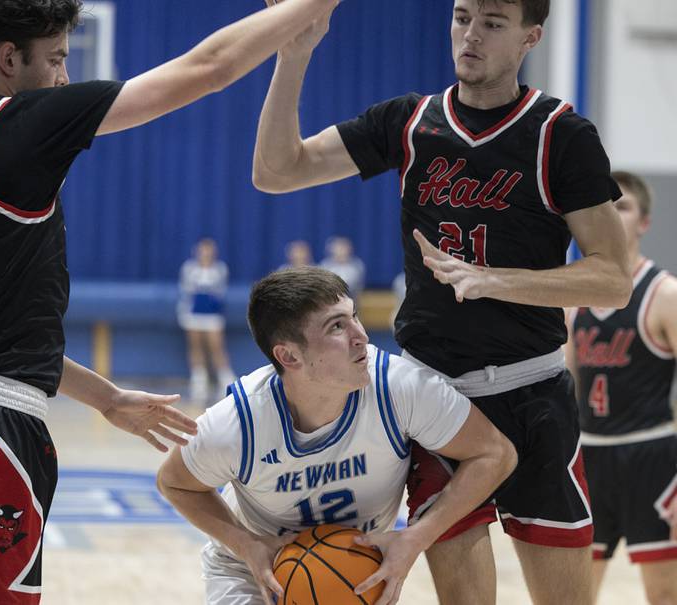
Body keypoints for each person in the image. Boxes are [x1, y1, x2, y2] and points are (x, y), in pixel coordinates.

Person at [0, 0, 341, 603]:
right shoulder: (15, 124)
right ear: (7, 60)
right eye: (54, 60)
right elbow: (205, 69)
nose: (64, 78)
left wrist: (106, 399)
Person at [251, 0, 632, 602]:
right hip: (436, 400)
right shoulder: (409, 121)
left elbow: (614, 278)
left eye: (492, 23)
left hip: (532, 393)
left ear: (531, 36)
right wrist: (292, 55)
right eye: (461, 17)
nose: (470, 35)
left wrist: (494, 279)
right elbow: (277, 171)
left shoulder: (560, 134)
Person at [157, 267, 516, 605]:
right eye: (336, 327)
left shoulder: (399, 388)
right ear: (289, 355)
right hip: (254, 570)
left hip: (353, 568)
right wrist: (246, 544)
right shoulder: (239, 422)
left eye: (354, 316)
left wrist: (415, 538)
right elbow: (174, 483)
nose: (361, 336)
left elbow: (495, 453)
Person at [565, 171, 677, 605]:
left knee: (664, 594)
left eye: (623, 205)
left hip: (652, 455)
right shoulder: (573, 294)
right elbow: (567, 388)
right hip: (589, 456)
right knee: (573, 592)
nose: (611, 213)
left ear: (644, 222)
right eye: (604, 205)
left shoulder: (664, 294)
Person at [178, 238, 236, 403]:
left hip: (212, 315)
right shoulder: (189, 268)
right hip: (193, 314)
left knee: (216, 346)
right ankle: (199, 379)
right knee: (195, 346)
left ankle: (225, 378)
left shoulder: (220, 269)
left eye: (208, 250)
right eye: (202, 250)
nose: (205, 254)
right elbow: (185, 291)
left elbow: (220, 292)